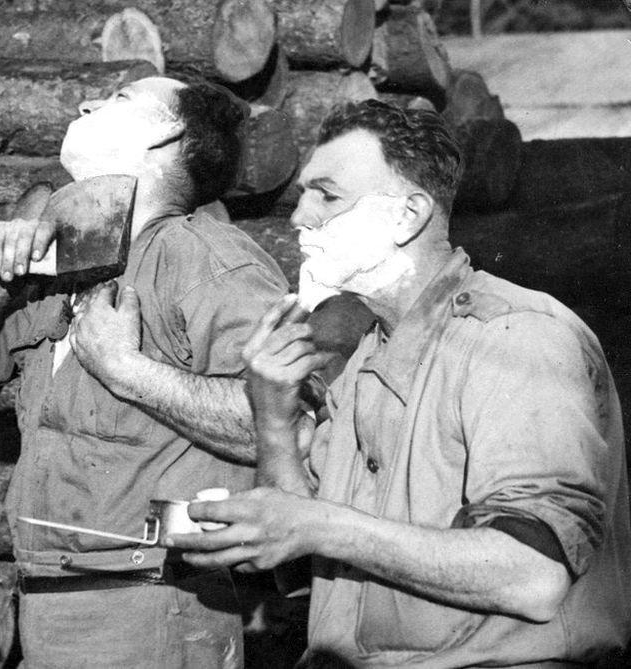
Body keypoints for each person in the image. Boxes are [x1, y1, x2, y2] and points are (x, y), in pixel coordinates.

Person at [166, 100, 631, 667]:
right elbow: (301, 560)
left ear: (408, 214)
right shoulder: (365, 358)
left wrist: (318, 524)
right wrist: (273, 420)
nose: (299, 219)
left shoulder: (515, 336)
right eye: (304, 194)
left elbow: (533, 577)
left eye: (327, 196)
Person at [0, 76, 290, 667]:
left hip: (153, 606)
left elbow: (276, 422)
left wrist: (125, 369)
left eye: (120, 98)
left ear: (168, 135)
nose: (87, 103)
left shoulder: (206, 260)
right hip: (48, 601)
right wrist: (3, 278)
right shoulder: (62, 266)